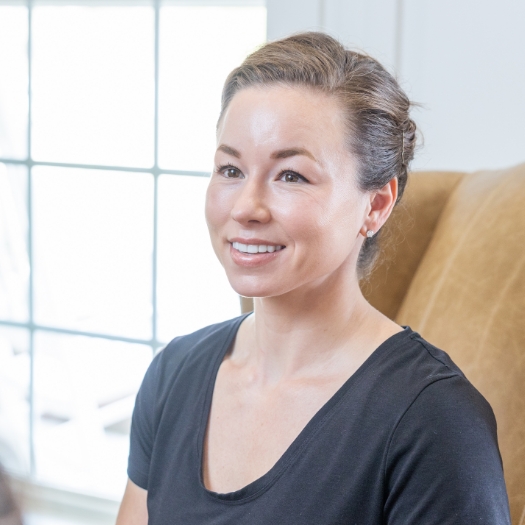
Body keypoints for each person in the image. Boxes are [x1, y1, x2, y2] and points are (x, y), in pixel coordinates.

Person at [116, 32, 510, 524]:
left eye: (291, 176)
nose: (245, 207)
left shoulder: (434, 421)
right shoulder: (174, 374)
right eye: (230, 169)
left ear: (376, 204)